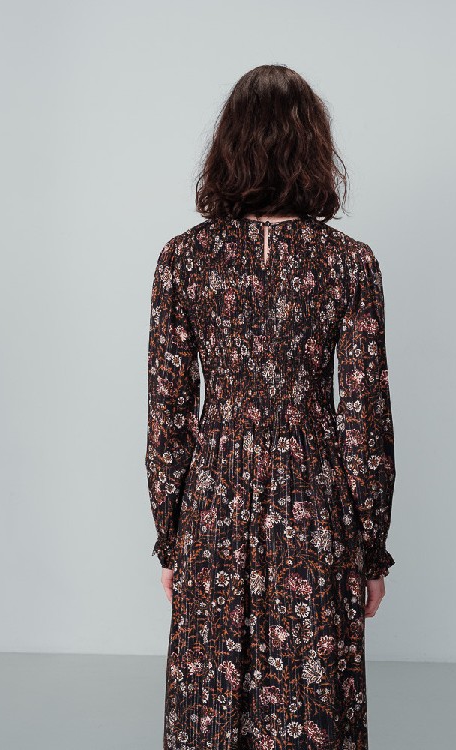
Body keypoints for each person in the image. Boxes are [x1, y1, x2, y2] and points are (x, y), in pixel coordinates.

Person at [145, 64, 396, 750]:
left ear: (228, 146)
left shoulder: (182, 260)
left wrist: (172, 537)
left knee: (211, 703)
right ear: (313, 147)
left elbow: (168, 414)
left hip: (214, 503)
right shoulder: (349, 263)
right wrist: (370, 550)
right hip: (314, 501)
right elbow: (364, 418)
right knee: (309, 699)